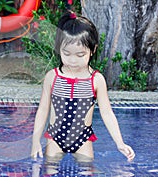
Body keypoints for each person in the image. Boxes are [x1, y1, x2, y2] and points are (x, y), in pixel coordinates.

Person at [31, 10, 135, 163]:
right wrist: (35, 142)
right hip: (55, 136)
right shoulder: (52, 77)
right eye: (66, 54)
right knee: (50, 169)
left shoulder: (96, 80)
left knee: (87, 169)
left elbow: (107, 114)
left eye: (80, 55)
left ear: (92, 50)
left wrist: (119, 143)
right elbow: (42, 110)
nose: (73, 60)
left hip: (82, 138)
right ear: (59, 49)